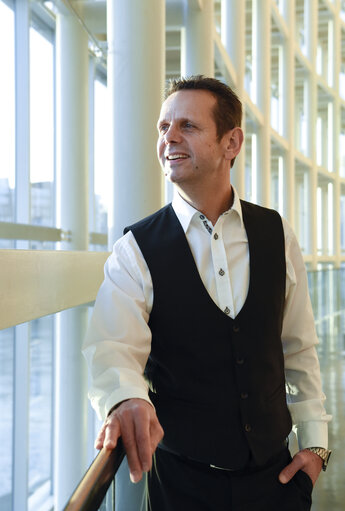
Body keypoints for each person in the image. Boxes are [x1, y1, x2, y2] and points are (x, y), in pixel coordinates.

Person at [83, 76, 331, 511]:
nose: (169, 138)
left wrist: (316, 449)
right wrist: (124, 397)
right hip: (181, 490)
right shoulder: (135, 250)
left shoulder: (276, 234)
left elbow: (299, 347)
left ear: (231, 142)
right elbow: (111, 346)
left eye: (187, 126)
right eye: (163, 127)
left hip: (277, 483)